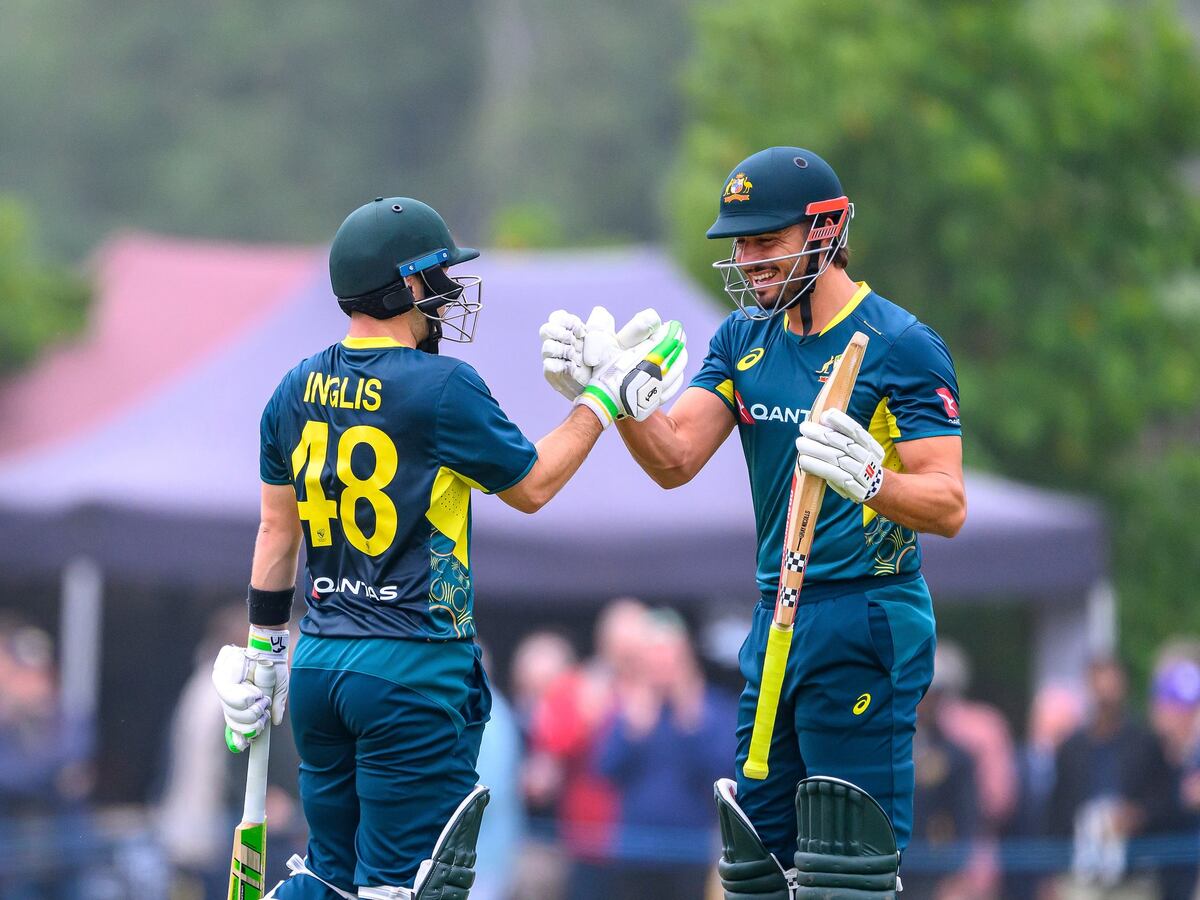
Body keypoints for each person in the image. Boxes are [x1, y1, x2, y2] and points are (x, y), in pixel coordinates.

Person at [210, 196, 687, 900]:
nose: (447, 294)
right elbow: (533, 486)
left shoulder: (292, 387)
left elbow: (277, 531)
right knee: (409, 888)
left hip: (319, 665)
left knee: (330, 876)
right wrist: (601, 400)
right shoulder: (441, 387)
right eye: (436, 277)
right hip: (412, 664)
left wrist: (264, 650)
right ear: (403, 285)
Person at [541, 146, 966, 898]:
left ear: (826, 231)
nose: (749, 261)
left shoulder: (900, 344)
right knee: (755, 866)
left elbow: (949, 502)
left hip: (865, 611)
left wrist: (873, 479)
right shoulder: (744, 338)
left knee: (847, 866)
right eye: (740, 244)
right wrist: (618, 398)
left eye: (766, 242)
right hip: (774, 615)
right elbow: (674, 459)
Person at [595, 609, 736, 899]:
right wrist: (632, 728)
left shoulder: (713, 709)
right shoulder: (627, 709)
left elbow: (725, 774)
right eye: (654, 656)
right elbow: (604, 769)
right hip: (636, 852)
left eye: (669, 655)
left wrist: (693, 722)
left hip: (692, 852)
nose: (662, 665)